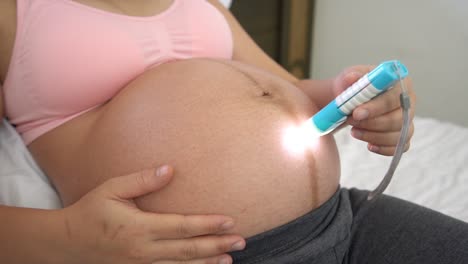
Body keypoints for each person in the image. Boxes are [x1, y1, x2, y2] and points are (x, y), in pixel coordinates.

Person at [0, 1, 467, 264]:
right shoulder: (16, 15)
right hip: (188, 256)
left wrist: (357, 94)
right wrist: (65, 235)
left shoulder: (201, 6)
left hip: (343, 217)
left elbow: (294, 89)